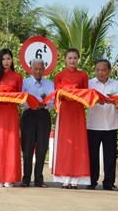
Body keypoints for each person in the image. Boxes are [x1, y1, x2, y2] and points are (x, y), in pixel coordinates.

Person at [52, 48, 90, 189]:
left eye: (75, 58)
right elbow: (56, 95)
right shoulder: (59, 76)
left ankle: (76, 179)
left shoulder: (83, 76)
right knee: (65, 144)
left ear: (78, 59)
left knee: (78, 143)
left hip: (78, 112)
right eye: (70, 58)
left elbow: (86, 94)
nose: (72, 60)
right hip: (65, 111)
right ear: (65, 59)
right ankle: (64, 178)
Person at [0, 48, 23, 187]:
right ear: (0, 61)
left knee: (11, 143)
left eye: (8, 59)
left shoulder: (18, 76)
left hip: (12, 112)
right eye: (3, 59)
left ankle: (10, 177)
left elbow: (19, 97)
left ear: (12, 60)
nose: (6, 62)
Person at [86, 59, 118, 190]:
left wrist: (110, 100)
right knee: (92, 155)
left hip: (110, 124)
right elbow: (85, 99)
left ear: (109, 71)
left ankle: (109, 182)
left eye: (103, 70)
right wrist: (95, 101)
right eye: (98, 70)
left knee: (110, 155)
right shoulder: (89, 84)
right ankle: (91, 181)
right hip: (93, 125)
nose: (100, 72)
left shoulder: (116, 84)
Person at [20, 59, 54, 188]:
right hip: (29, 114)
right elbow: (21, 100)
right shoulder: (25, 83)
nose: (38, 71)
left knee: (41, 147)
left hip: (43, 115)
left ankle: (39, 179)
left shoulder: (49, 84)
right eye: (36, 69)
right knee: (27, 147)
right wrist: (33, 102)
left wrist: (45, 104)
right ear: (31, 69)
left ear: (44, 69)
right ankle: (26, 179)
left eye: (40, 69)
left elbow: (53, 101)